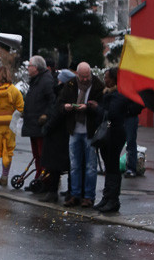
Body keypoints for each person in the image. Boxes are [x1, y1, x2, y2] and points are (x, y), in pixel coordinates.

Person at [93, 66, 141, 214]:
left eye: (107, 77)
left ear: (114, 79)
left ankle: (113, 200)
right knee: (108, 166)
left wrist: (96, 108)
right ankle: (107, 197)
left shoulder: (119, 94)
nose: (105, 79)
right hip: (108, 133)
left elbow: (111, 113)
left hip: (115, 133)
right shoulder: (108, 93)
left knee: (113, 166)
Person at [60, 61, 103, 206]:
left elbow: (101, 108)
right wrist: (65, 107)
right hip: (74, 130)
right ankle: (75, 194)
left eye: (87, 76)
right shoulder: (71, 85)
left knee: (91, 166)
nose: (85, 79)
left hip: (90, 131)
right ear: (77, 74)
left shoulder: (97, 85)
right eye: (82, 77)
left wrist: (88, 108)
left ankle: (89, 197)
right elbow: (60, 102)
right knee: (75, 165)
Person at [37, 68, 73, 202]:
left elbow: (57, 113)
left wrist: (47, 126)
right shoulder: (65, 93)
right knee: (64, 164)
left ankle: (53, 192)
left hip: (57, 134)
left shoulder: (62, 94)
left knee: (55, 165)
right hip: (62, 133)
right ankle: (70, 191)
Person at [21, 55, 56, 192]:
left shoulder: (46, 81)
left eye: (29, 66)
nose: (28, 68)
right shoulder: (36, 80)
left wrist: (46, 115)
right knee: (37, 155)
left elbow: (52, 101)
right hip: (33, 123)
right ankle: (38, 178)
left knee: (43, 155)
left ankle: (44, 180)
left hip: (40, 124)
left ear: (36, 68)